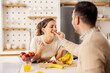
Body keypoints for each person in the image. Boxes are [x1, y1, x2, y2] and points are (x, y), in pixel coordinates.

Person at [55, 1, 110, 73]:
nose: (72, 22)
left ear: (77, 19)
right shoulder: (97, 36)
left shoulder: (90, 45)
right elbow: (79, 50)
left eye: (72, 18)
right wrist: (62, 40)